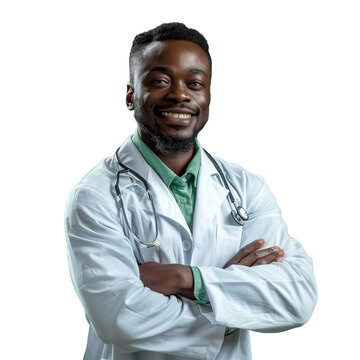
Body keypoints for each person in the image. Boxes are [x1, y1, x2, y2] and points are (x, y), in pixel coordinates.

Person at [65, 22, 317, 360]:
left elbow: (297, 298)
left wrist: (187, 279)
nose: (180, 94)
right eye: (160, 81)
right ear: (130, 95)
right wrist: (233, 308)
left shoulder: (246, 189)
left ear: (208, 95)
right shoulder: (96, 196)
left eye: (195, 83)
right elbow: (118, 318)